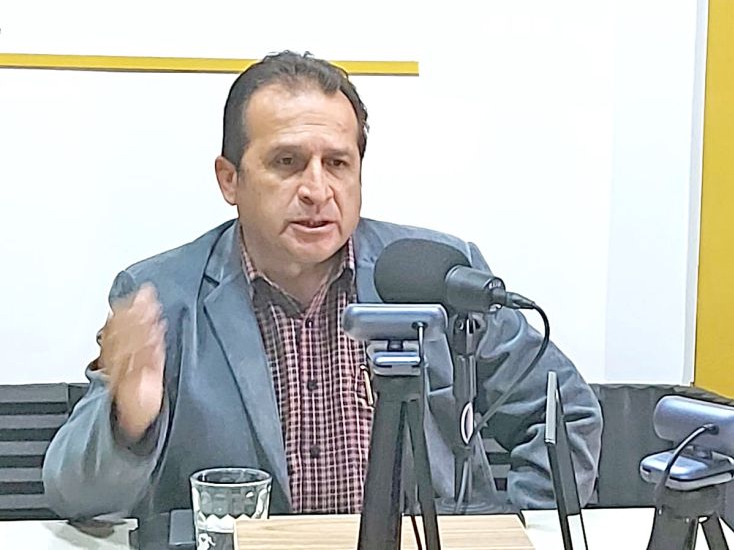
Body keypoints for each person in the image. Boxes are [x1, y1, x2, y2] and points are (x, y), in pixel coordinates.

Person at [42, 51, 602, 520]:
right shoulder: (162, 296)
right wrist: (129, 423)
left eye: (337, 163)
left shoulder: (435, 275)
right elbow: (75, 497)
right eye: (287, 162)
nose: (316, 189)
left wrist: (515, 529)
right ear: (229, 180)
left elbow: (566, 410)